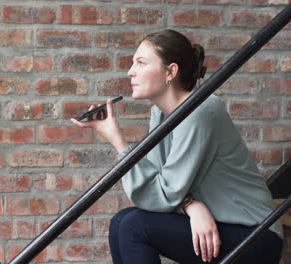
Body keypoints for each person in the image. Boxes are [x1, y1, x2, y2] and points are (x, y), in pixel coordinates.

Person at [71, 29, 283, 264]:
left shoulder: (201, 110)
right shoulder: (160, 114)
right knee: (121, 222)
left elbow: (165, 193)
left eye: (141, 63)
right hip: (220, 224)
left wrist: (118, 140)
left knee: (134, 226)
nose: (131, 71)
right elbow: (156, 183)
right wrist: (191, 206)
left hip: (257, 234)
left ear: (170, 71)